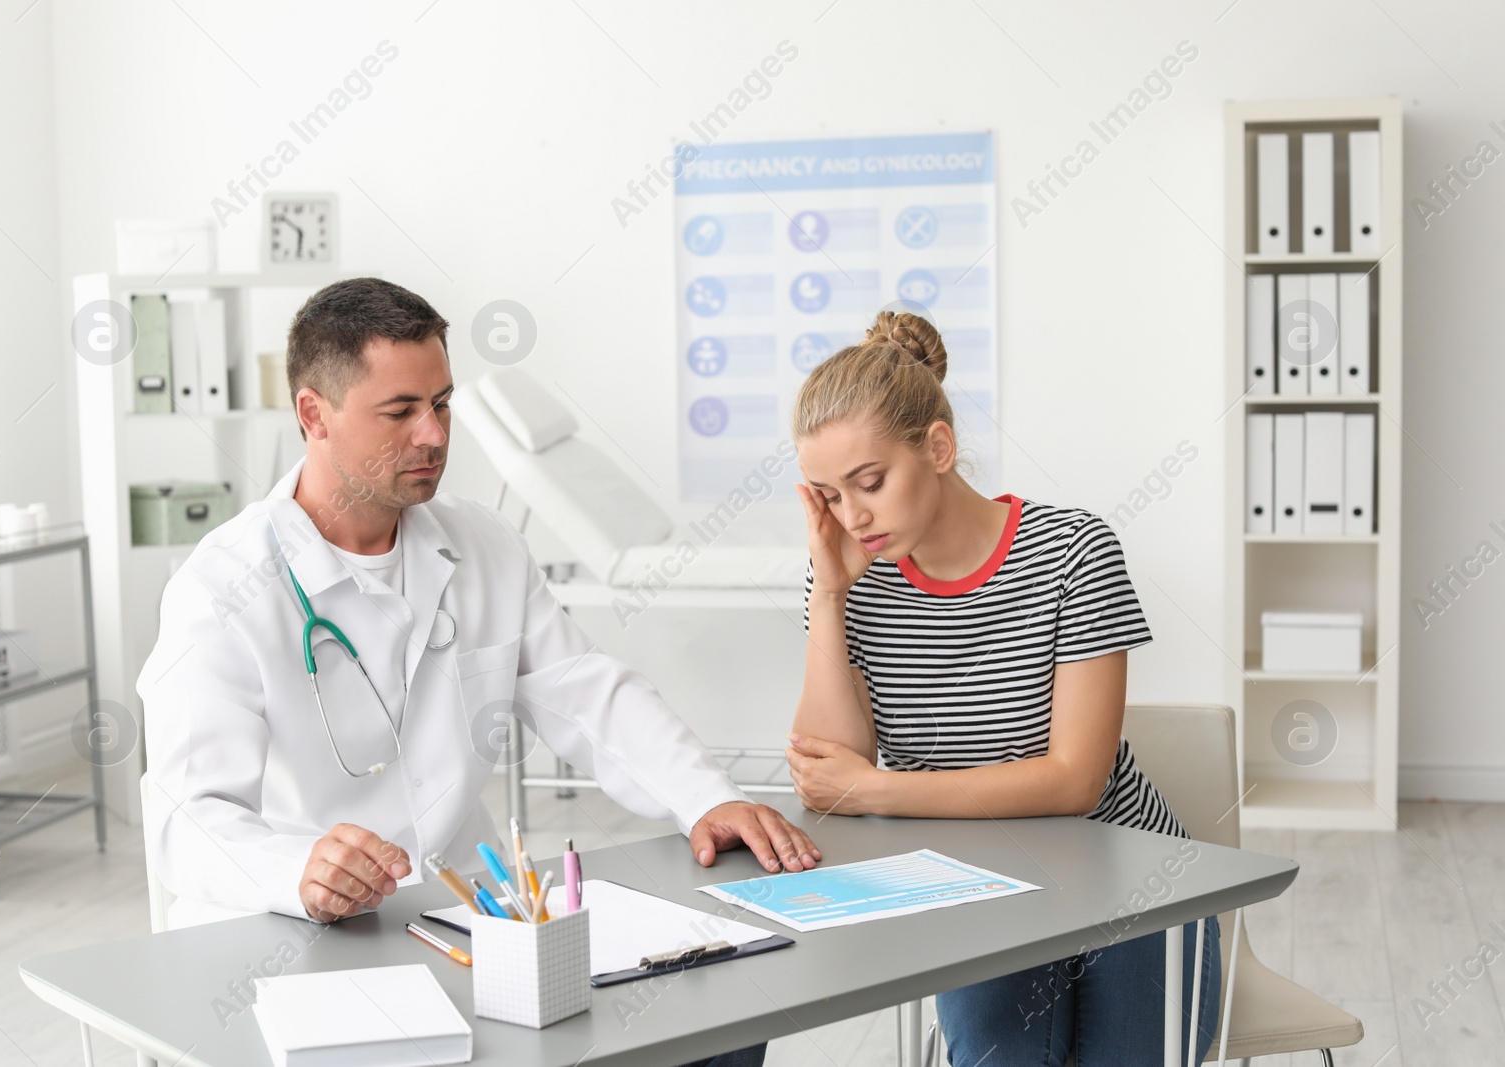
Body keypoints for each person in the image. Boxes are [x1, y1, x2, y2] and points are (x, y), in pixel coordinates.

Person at [139, 278, 817, 1067]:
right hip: (292, 934)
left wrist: (709, 796)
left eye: (444, 403)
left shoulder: (481, 544)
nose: (433, 434)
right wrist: (299, 870)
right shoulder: (222, 587)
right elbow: (186, 818)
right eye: (400, 412)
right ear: (312, 415)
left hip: (464, 912)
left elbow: (587, 692)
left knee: (718, 1023)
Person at [782, 309, 1219, 1066]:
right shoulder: (853, 578)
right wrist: (828, 597)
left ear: (940, 448)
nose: (853, 516)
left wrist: (881, 789)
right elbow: (829, 778)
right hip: (971, 891)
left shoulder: (1074, 551)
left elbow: (1076, 780)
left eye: (870, 483)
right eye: (829, 496)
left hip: (1133, 879)